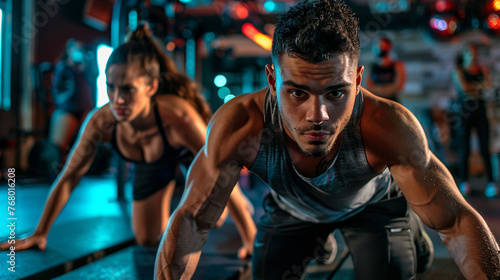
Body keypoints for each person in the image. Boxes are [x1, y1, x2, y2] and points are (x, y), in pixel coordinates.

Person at [154, 1, 500, 279]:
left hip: (372, 208)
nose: (317, 115)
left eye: (336, 92)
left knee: (398, 270)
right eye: (297, 93)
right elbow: (192, 221)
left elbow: (456, 222)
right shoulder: (241, 126)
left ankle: (409, 228)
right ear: (273, 80)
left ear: (358, 79)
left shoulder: (387, 125)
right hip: (293, 212)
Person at [0, 25, 256, 259]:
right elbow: (70, 176)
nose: (117, 99)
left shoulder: (179, 116)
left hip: (187, 155)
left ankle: (239, 201)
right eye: (111, 87)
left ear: (152, 87)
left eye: (127, 90)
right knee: (146, 239)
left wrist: (250, 238)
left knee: (215, 215)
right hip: (153, 165)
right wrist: (40, 233)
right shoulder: (101, 121)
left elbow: (219, 170)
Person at [451, 43, 498, 198]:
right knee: (465, 149)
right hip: (464, 113)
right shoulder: (459, 71)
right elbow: (464, 88)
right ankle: (465, 182)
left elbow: (489, 86)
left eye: (475, 53)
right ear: (464, 55)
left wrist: (477, 87)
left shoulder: (482, 70)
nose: (473, 56)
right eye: (470, 53)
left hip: (480, 112)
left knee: (485, 148)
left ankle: (491, 183)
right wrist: (480, 86)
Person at [49, 38, 94, 157]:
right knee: (58, 150)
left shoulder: (84, 70)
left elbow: (94, 81)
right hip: (67, 111)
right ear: (69, 50)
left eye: (81, 49)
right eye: (77, 48)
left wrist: (85, 66)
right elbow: (58, 93)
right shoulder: (62, 68)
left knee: (87, 147)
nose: (79, 52)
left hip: (84, 111)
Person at [366, 36, 406, 103]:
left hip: (392, 101)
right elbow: (369, 86)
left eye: (382, 45)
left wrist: (380, 90)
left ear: (389, 47)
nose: (380, 48)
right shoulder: (372, 66)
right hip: (376, 101)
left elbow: (399, 86)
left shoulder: (397, 65)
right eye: (378, 45)